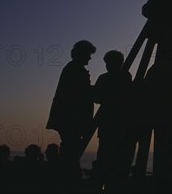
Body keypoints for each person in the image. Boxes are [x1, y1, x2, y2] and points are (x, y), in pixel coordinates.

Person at [46, 40, 96, 182]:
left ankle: (67, 178)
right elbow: (82, 93)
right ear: (82, 53)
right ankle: (68, 180)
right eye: (88, 54)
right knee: (71, 152)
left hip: (69, 120)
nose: (90, 58)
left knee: (70, 150)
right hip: (71, 120)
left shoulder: (72, 68)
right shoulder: (76, 70)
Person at [94, 49, 132, 190]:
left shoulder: (103, 78)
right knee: (117, 158)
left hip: (108, 123)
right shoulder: (126, 76)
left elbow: (97, 97)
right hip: (120, 124)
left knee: (104, 157)